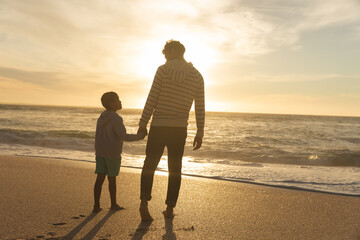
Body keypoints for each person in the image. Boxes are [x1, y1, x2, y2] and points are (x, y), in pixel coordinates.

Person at [137, 40, 205, 221]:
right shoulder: (197, 76)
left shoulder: (163, 71)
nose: (165, 56)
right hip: (179, 129)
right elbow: (200, 106)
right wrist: (200, 131)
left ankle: (144, 203)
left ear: (174, 51)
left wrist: (143, 123)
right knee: (175, 168)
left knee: (149, 164)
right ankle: (169, 208)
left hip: (159, 125)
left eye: (166, 52)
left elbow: (152, 97)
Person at [93, 91, 146, 213]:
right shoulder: (116, 118)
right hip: (112, 154)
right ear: (112, 104)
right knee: (112, 179)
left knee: (100, 179)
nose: (121, 101)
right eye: (118, 100)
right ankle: (113, 204)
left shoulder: (101, 117)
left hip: (100, 152)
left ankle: (96, 205)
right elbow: (124, 136)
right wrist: (140, 136)